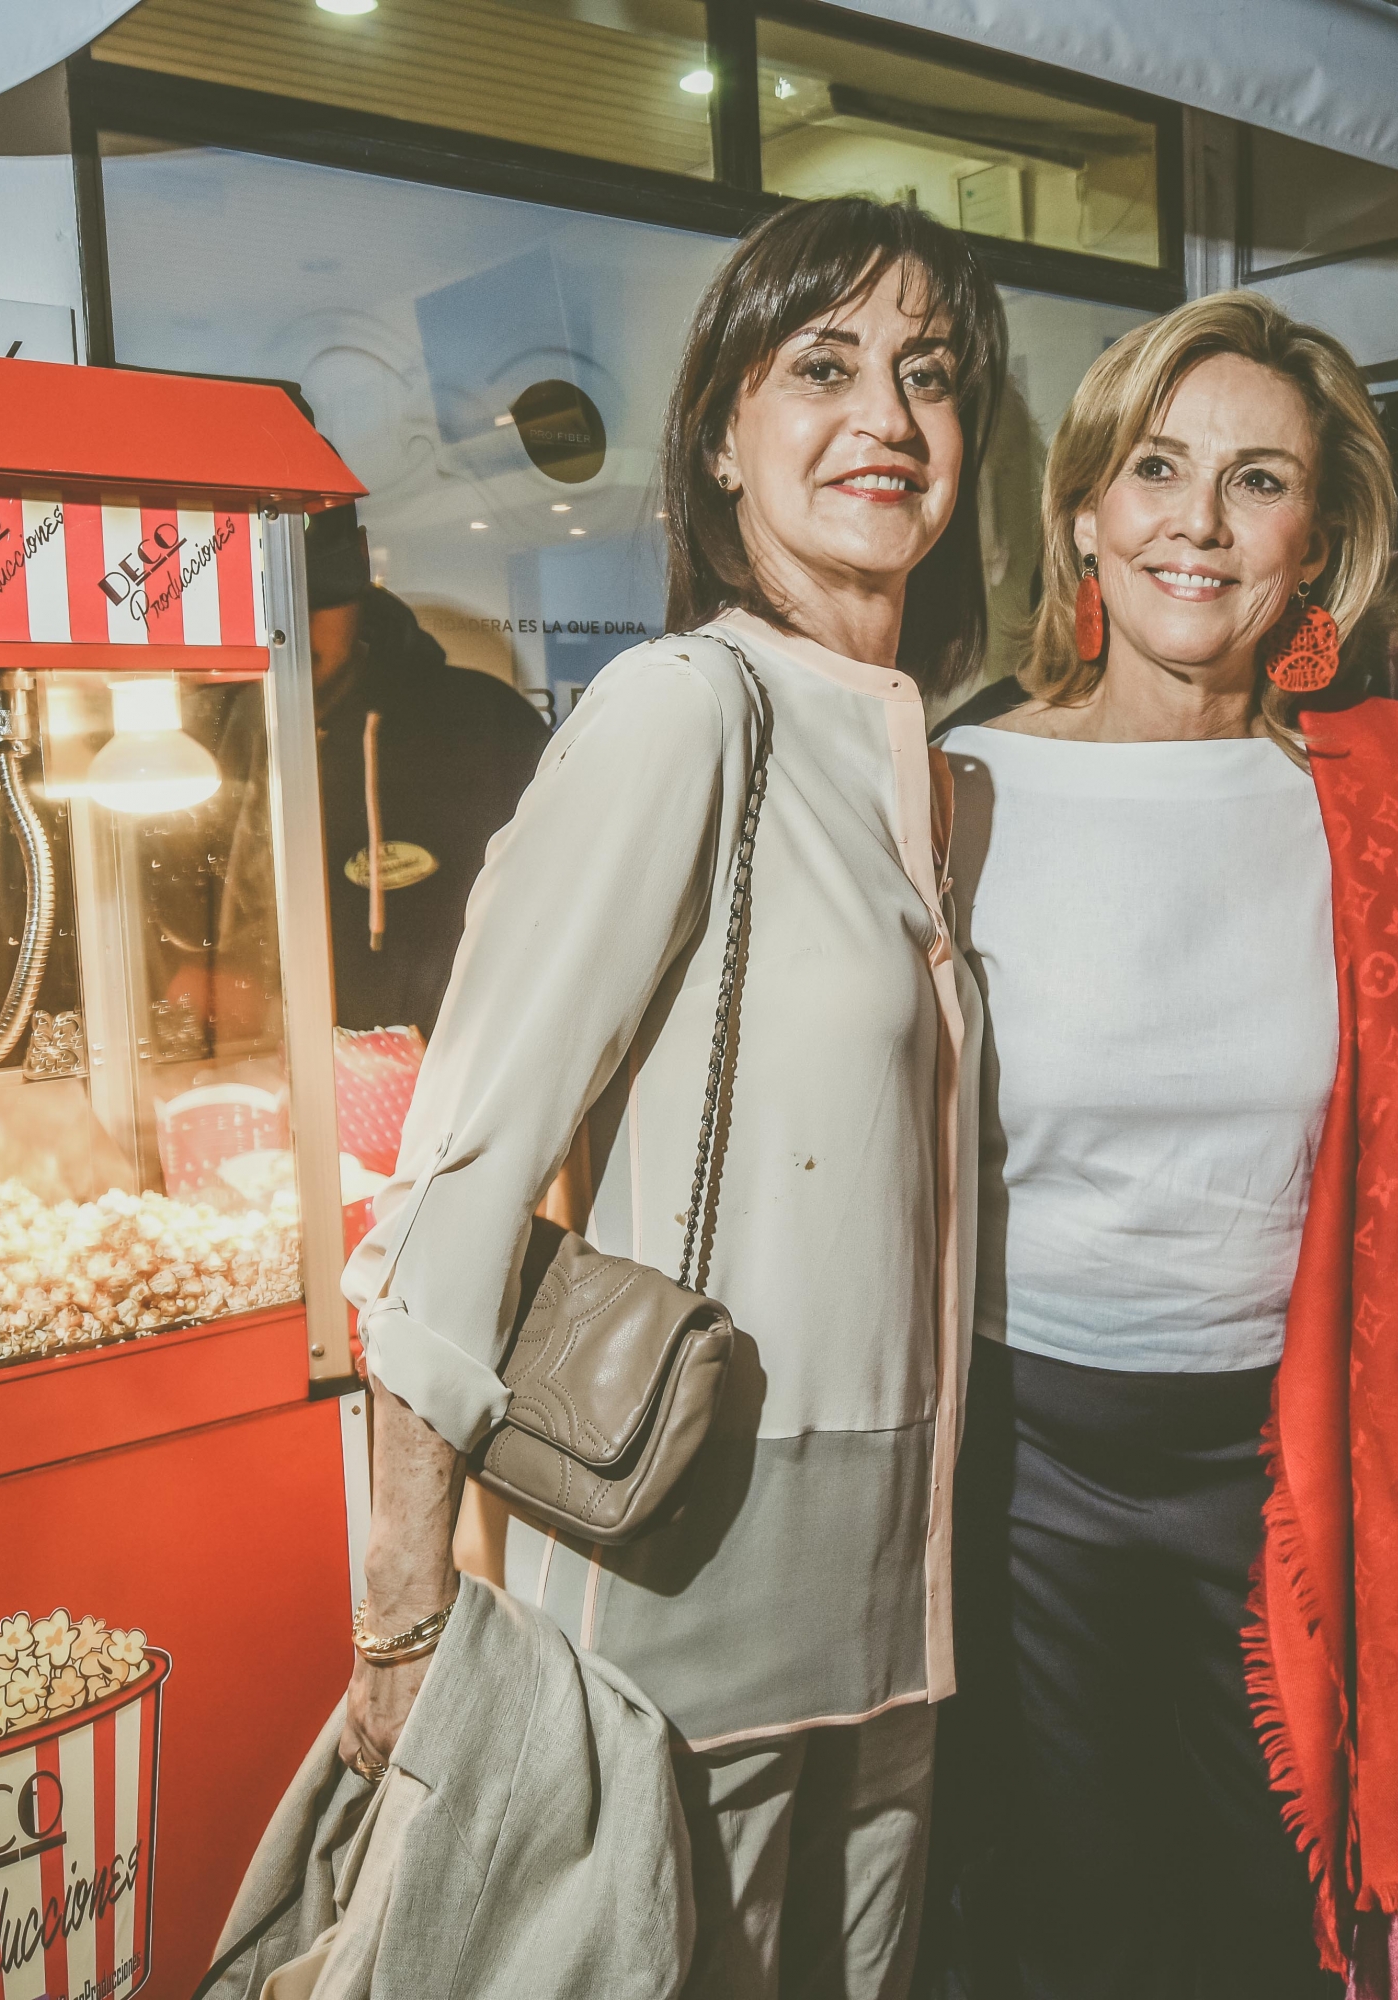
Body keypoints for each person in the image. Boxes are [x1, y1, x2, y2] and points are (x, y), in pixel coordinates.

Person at [340, 195, 1002, 2000]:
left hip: (901, 1585)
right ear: (722, 433)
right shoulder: (680, 707)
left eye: (928, 378)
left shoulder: (926, 771)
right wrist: (403, 1611)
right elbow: (456, 1182)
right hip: (679, 1557)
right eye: (824, 367)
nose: (886, 416)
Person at [936, 291, 1398, 1997]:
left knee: (1275, 1927)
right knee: (1075, 1930)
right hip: (1025, 1468)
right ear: (1088, 509)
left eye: (1258, 481)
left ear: (1316, 540)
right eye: (1158, 468)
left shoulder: (1393, 792)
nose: (1197, 519)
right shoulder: (955, 788)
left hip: (1294, 1465)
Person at [302, 505, 551, 1037]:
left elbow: (562, 936)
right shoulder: (204, 738)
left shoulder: (487, 726)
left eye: (319, 592)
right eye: (266, 591)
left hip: (464, 1097)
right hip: (266, 1092)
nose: (294, 620)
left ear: (360, 571)